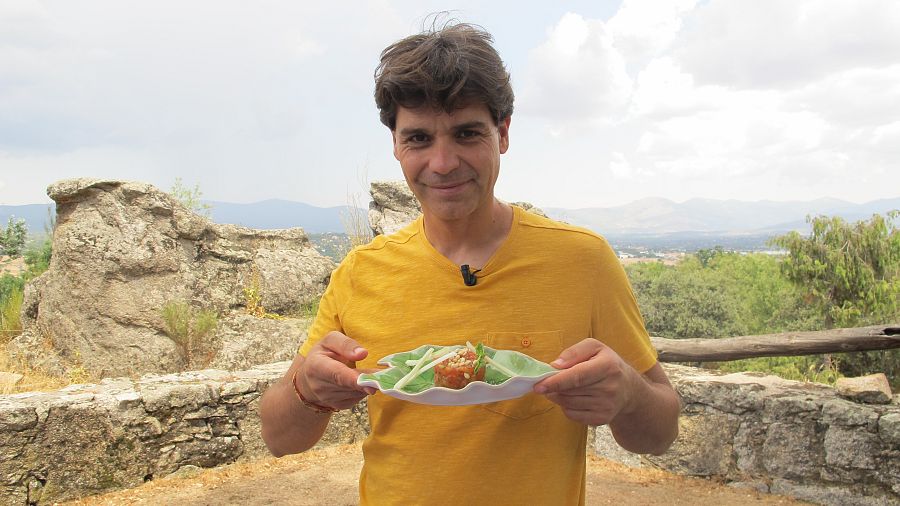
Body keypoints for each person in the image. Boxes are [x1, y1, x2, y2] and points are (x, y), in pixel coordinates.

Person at [259, 22, 680, 506]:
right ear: (395, 145)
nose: (442, 163)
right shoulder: (360, 273)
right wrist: (306, 390)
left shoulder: (584, 261)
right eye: (419, 139)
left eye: (466, 133)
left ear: (503, 134)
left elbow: (660, 434)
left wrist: (629, 394)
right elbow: (279, 438)